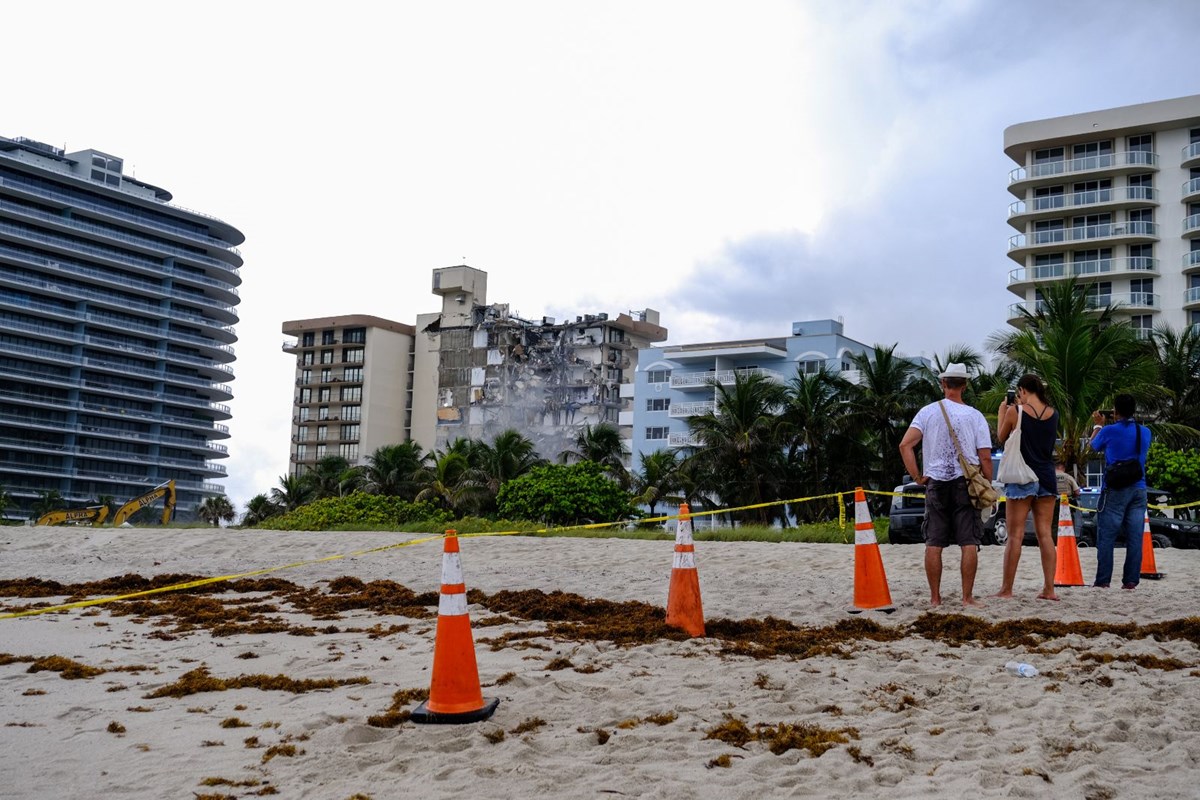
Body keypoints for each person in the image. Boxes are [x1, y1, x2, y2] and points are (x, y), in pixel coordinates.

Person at [899, 363, 993, 607]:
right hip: (965, 482)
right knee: (969, 542)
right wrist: (987, 483)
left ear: (943, 384)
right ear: (964, 385)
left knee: (934, 542)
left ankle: (935, 598)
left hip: (936, 482)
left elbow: (905, 445)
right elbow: (984, 456)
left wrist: (918, 477)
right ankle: (967, 598)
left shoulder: (927, 412)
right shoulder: (975, 416)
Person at [994, 374, 1059, 601]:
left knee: (1015, 536)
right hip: (1047, 477)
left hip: (1022, 477)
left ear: (1022, 390)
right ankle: (1049, 589)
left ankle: (1007, 589)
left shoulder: (1016, 412)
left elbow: (1001, 437)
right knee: (1045, 535)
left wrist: (1004, 411)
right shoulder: (1053, 414)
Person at [1090, 394, 1151, 590]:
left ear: (1115, 411)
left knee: (1106, 536)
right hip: (1139, 488)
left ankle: (1103, 580)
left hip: (1115, 488)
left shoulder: (1109, 430)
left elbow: (1093, 446)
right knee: (1135, 536)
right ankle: (1131, 580)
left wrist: (1098, 425)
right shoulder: (1145, 432)